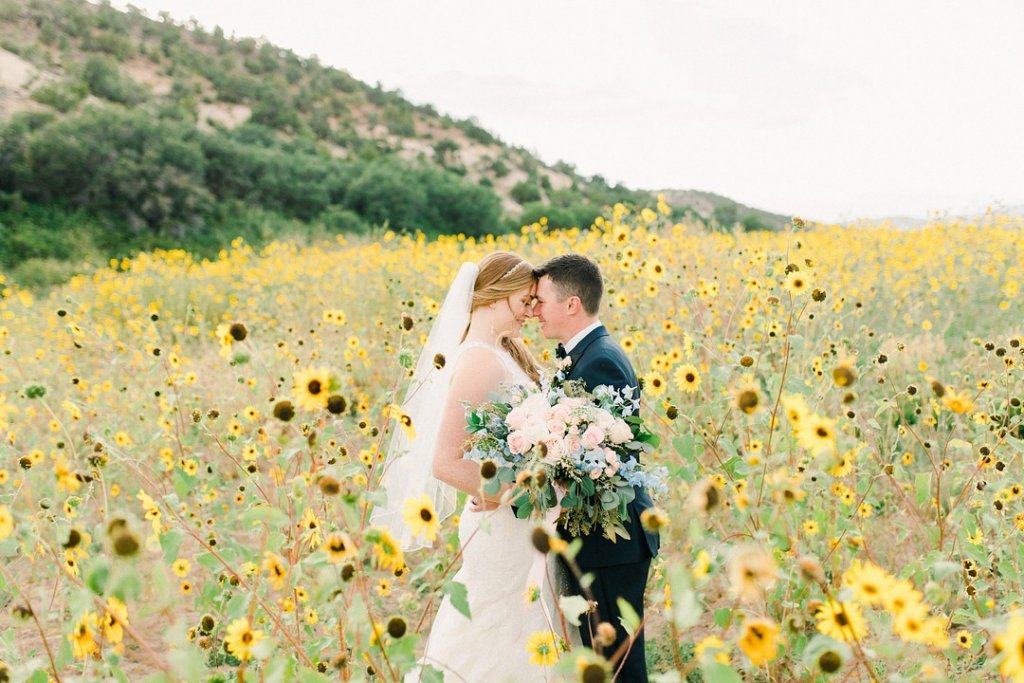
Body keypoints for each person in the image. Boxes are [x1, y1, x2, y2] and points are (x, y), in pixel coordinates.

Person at [373, 251, 561, 682]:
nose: (531, 312)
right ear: (495, 296)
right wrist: (514, 493)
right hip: (504, 522)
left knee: (522, 633)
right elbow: (445, 461)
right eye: (525, 301)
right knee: (490, 634)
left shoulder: (506, 351)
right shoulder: (478, 359)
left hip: (521, 522)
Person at [531, 253, 660, 682]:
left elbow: (611, 458)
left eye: (541, 301)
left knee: (619, 665)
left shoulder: (599, 360)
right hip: (601, 537)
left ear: (571, 305)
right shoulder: (583, 353)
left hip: (612, 538)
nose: (534, 311)